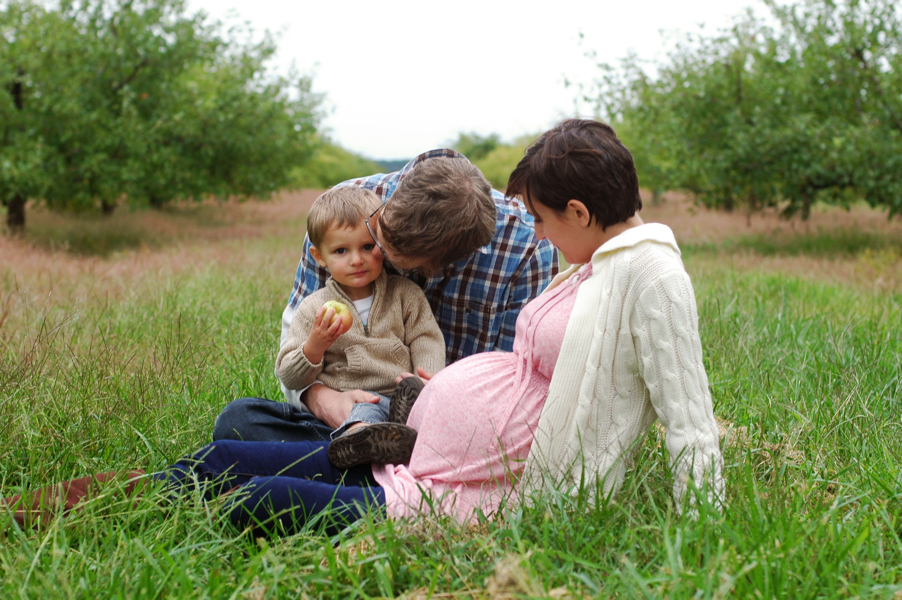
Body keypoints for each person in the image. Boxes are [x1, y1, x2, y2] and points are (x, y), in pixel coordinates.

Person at [3, 119, 724, 535]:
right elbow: (301, 342)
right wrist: (325, 397)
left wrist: (701, 529)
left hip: (441, 464)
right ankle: (65, 503)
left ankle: (99, 505)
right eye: (374, 248)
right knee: (235, 433)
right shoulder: (351, 216)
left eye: (398, 262)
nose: (371, 264)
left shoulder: (565, 258)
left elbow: (671, 415)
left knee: (246, 487)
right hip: (386, 430)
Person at [212, 151, 559, 444]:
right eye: (379, 242)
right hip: (341, 416)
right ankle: (363, 460)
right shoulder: (340, 212)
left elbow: (513, 384)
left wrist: (437, 393)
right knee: (239, 420)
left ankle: (351, 468)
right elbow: (293, 348)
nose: (364, 259)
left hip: (443, 429)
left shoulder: (528, 249)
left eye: (372, 250)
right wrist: (321, 400)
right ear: (384, 212)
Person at [275, 186, 446, 468]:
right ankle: (360, 440)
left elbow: (426, 338)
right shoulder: (313, 308)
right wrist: (315, 346)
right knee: (242, 415)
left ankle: (398, 435)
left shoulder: (405, 294)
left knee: (422, 404)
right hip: (351, 404)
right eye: (341, 250)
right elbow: (290, 376)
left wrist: (425, 378)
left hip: (401, 394)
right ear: (319, 256)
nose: (357, 260)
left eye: (367, 247)